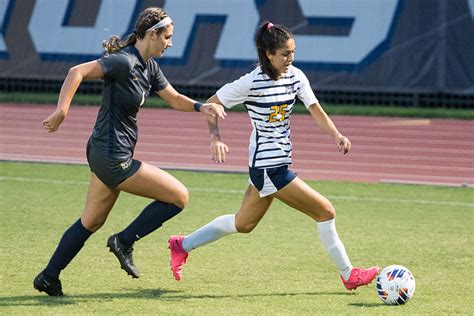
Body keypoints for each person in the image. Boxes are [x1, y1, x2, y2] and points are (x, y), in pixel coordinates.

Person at [168, 22, 379, 291]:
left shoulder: (296, 76)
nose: (291, 58)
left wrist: (336, 134)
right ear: (269, 54)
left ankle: (181, 245)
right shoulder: (251, 82)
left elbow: (314, 108)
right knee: (326, 212)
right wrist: (215, 137)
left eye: (293, 52)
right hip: (269, 168)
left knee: (243, 224)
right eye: (285, 53)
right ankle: (349, 275)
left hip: (272, 166)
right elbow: (212, 105)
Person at [33, 7, 226, 297]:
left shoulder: (149, 66)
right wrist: (62, 110)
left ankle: (49, 276)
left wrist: (201, 107)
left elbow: (173, 98)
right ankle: (123, 241)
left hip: (104, 151)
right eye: (167, 37)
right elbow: (77, 72)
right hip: (112, 157)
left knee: (92, 220)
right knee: (178, 196)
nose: (170, 43)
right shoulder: (123, 61)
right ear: (152, 34)